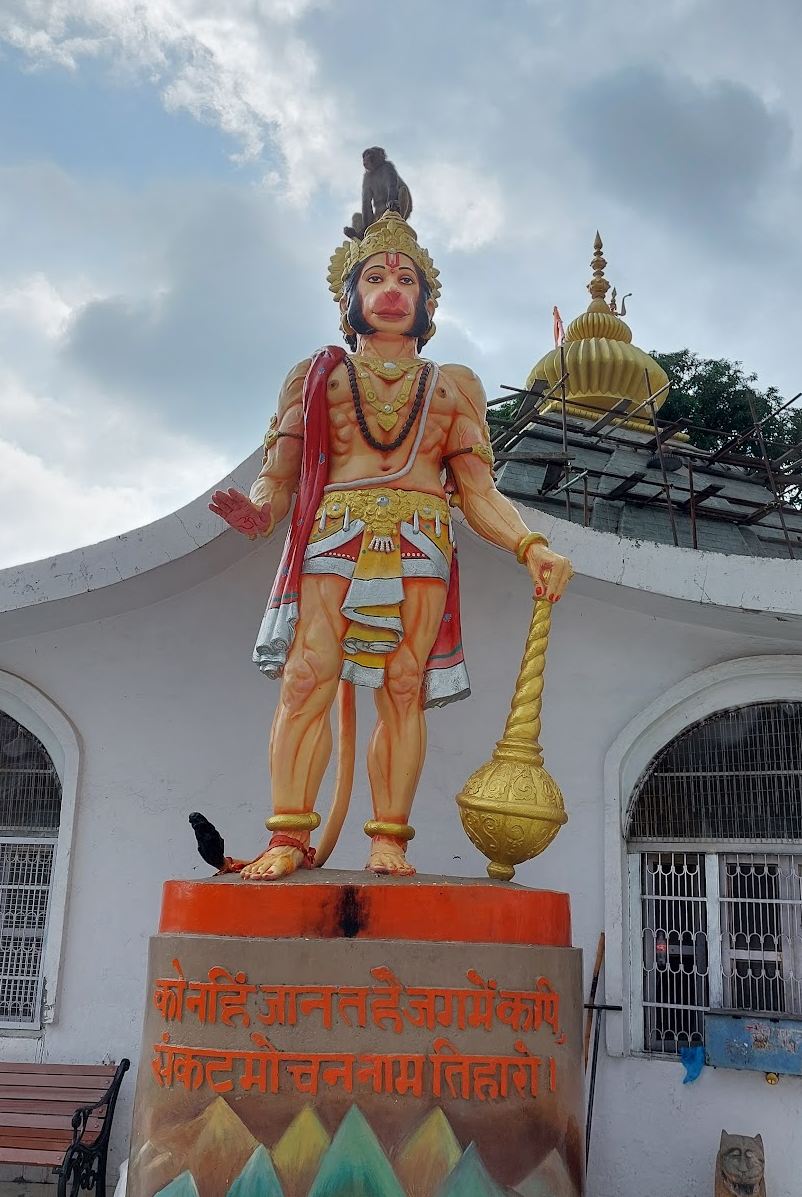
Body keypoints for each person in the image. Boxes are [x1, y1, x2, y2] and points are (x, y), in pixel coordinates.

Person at [210, 203, 572, 879]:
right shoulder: (314, 377)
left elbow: (479, 490)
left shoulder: (454, 386)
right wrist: (260, 515)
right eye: (375, 276)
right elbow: (278, 476)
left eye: (408, 280)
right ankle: (289, 838)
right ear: (351, 297)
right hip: (336, 532)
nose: (393, 289)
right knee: (307, 678)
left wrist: (531, 545)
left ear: (427, 301)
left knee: (404, 685)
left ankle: (389, 840)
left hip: (418, 536)